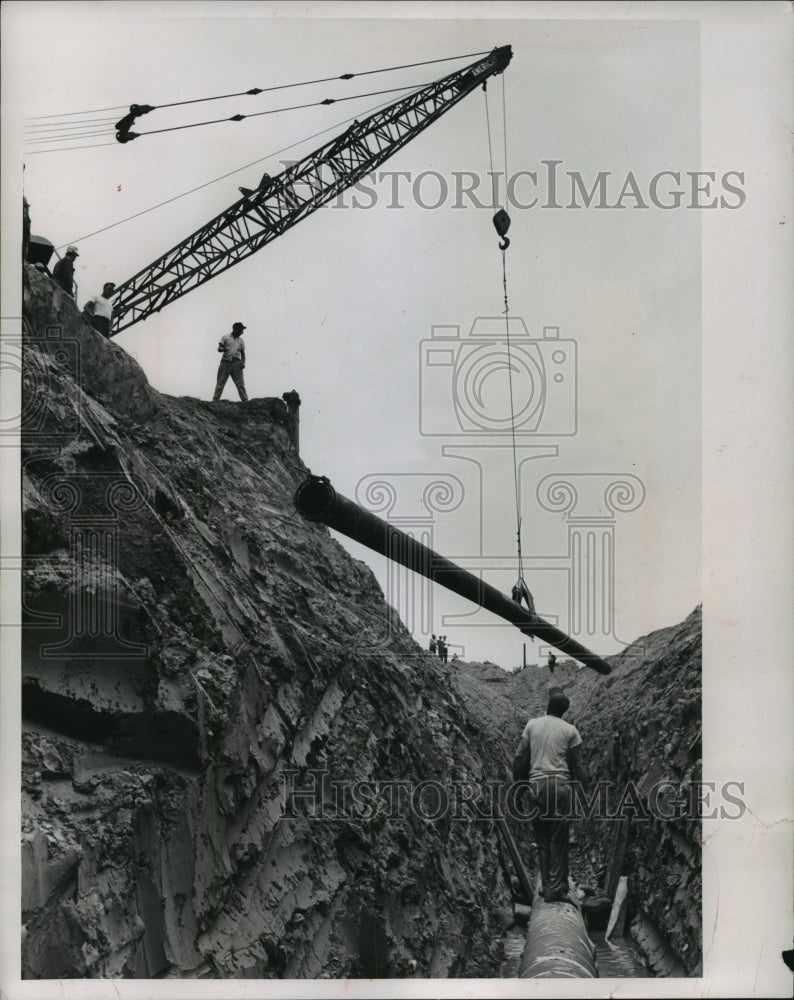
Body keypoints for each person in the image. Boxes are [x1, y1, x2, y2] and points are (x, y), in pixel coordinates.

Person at [512, 692, 588, 903]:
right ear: (565, 711)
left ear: (547, 705)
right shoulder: (570, 730)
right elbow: (578, 766)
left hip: (537, 784)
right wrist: (586, 791)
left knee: (543, 839)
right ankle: (559, 888)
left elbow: (519, 757)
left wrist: (518, 787)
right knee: (559, 838)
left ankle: (548, 887)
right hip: (560, 785)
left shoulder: (532, 725)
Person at [213, 322, 248, 401]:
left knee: (240, 384)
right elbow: (219, 348)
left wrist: (243, 363)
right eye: (241, 330)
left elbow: (243, 353)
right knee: (220, 382)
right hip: (225, 362)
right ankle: (215, 400)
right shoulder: (225, 337)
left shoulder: (241, 341)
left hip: (237, 363)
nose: (242, 332)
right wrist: (224, 349)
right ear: (236, 329)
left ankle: (245, 400)